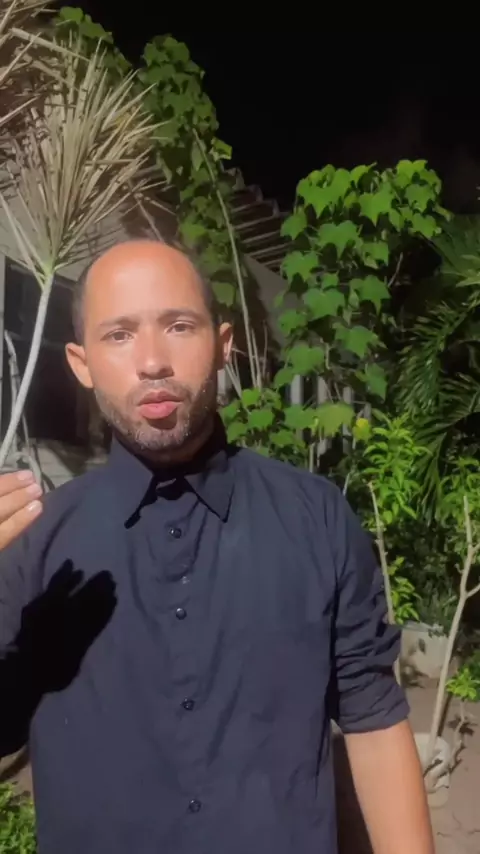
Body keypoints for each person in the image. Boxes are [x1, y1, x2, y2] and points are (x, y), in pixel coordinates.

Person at [0, 239, 434, 854]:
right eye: (119, 335)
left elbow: (373, 720)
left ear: (223, 344)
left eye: (179, 326)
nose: (153, 361)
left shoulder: (316, 518)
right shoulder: (34, 541)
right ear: (81, 362)